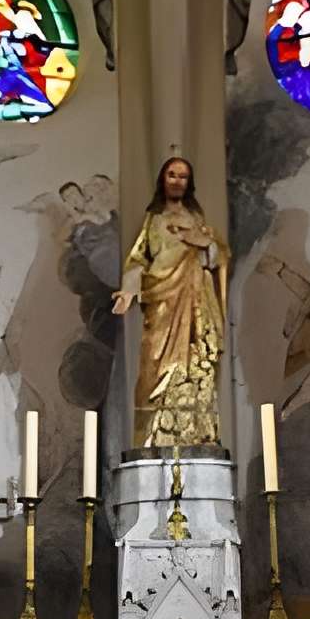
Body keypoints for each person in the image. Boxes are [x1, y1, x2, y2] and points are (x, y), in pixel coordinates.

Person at [112, 155, 229, 449]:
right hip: (162, 304)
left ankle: (196, 431)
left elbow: (217, 258)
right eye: (172, 175)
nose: (177, 181)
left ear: (190, 183)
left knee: (195, 364)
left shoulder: (197, 221)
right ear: (162, 180)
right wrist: (127, 291)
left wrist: (204, 244)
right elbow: (138, 260)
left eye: (183, 176)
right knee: (154, 365)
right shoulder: (154, 220)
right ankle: (154, 433)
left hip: (196, 302)